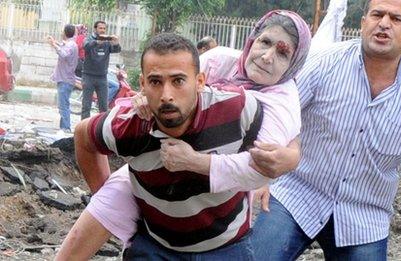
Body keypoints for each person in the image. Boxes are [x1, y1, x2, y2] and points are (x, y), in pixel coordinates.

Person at [55, 10, 310, 260]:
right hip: (156, 172)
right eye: (264, 42)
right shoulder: (220, 59)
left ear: (294, 64)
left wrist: (195, 162)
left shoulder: (271, 105)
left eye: (282, 53)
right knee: (105, 205)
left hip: (220, 220)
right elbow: (175, 72)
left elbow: (258, 169)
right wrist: (141, 101)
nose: (267, 57)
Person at [246, 0, 401, 260]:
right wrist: (263, 175)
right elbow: (279, 114)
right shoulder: (324, 63)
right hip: (298, 194)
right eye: (377, 14)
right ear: (363, 21)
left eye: (396, 19)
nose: (384, 24)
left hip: (365, 216)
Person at [81, 20, 121, 120]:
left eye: (104, 28)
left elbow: (116, 50)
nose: (102, 30)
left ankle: (101, 129)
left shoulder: (107, 42)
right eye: (100, 28)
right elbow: (85, 46)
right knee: (86, 106)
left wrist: (116, 43)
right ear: (95, 29)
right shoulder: (89, 39)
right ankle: (84, 128)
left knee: (103, 106)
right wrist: (97, 42)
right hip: (88, 76)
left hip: (102, 77)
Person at [47, 24, 78, 132]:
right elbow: (63, 46)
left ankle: (65, 128)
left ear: (65, 32)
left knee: (63, 106)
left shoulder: (71, 45)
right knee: (63, 105)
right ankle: (63, 127)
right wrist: (54, 43)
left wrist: (54, 45)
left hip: (65, 80)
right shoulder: (70, 43)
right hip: (64, 79)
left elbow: (64, 53)